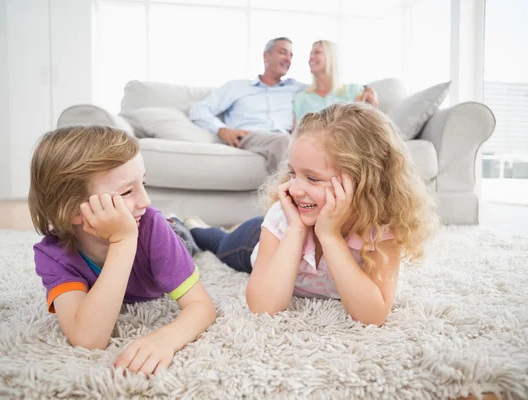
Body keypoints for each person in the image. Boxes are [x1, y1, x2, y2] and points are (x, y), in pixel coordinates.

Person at [181, 103, 438, 326]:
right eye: (293, 173)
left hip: (317, 226)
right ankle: (195, 227)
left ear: (363, 183)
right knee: (217, 243)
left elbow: (373, 315)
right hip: (251, 243)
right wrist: (295, 230)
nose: (294, 188)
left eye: (312, 178)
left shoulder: (380, 230)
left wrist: (330, 236)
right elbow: (263, 307)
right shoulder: (283, 217)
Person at [28, 125, 216, 375]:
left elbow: (201, 306)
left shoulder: (151, 224)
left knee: (197, 239)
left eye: (144, 183)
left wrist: (165, 340)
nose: (146, 200)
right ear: (73, 209)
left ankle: (197, 227)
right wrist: (123, 242)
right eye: (127, 191)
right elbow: (88, 339)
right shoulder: (53, 255)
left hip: (171, 235)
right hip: (138, 230)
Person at [189, 37, 306, 173]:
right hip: (250, 137)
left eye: (291, 55)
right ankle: (290, 193)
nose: (288, 58)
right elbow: (199, 110)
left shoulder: (294, 88)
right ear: (266, 56)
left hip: (284, 138)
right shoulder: (237, 87)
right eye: (282, 52)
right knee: (285, 142)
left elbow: (327, 87)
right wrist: (222, 130)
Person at [293, 40, 379, 122]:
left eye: (317, 52)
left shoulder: (353, 91)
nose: (311, 57)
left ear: (331, 56)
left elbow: (368, 124)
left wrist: (369, 90)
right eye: (310, 53)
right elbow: (296, 133)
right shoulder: (301, 98)